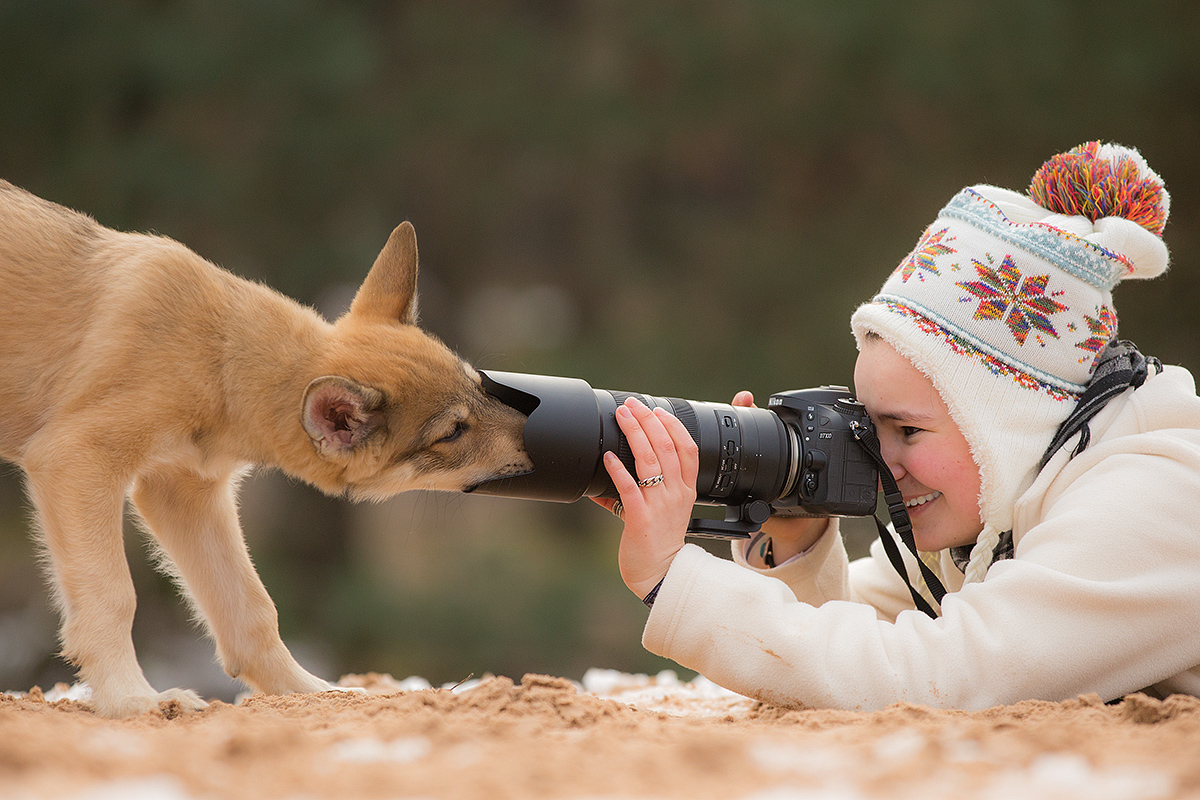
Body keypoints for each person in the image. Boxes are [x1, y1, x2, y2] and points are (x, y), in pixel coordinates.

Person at [594, 142, 1200, 710]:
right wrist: (795, 543)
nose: (881, 460)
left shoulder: (1154, 497)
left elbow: (935, 679)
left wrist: (669, 577)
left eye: (907, 431)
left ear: (1008, 423)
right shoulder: (995, 504)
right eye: (868, 425)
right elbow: (861, 639)